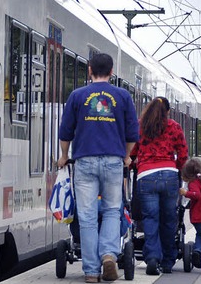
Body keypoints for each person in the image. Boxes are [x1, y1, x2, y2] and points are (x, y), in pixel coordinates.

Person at [58, 53, 140, 283]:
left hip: (84, 161)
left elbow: (65, 132)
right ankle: (108, 255)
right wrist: (126, 156)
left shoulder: (77, 96)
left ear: (90, 70)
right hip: (114, 161)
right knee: (113, 210)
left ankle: (92, 271)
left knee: (87, 216)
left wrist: (64, 156)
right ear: (112, 72)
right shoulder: (123, 96)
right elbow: (133, 134)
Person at [129, 96, 188, 275]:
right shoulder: (174, 126)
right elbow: (183, 153)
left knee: (150, 218)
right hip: (169, 175)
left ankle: (153, 258)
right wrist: (176, 169)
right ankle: (168, 260)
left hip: (146, 175)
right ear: (168, 112)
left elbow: (132, 152)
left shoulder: (141, 126)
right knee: (169, 218)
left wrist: (134, 165)